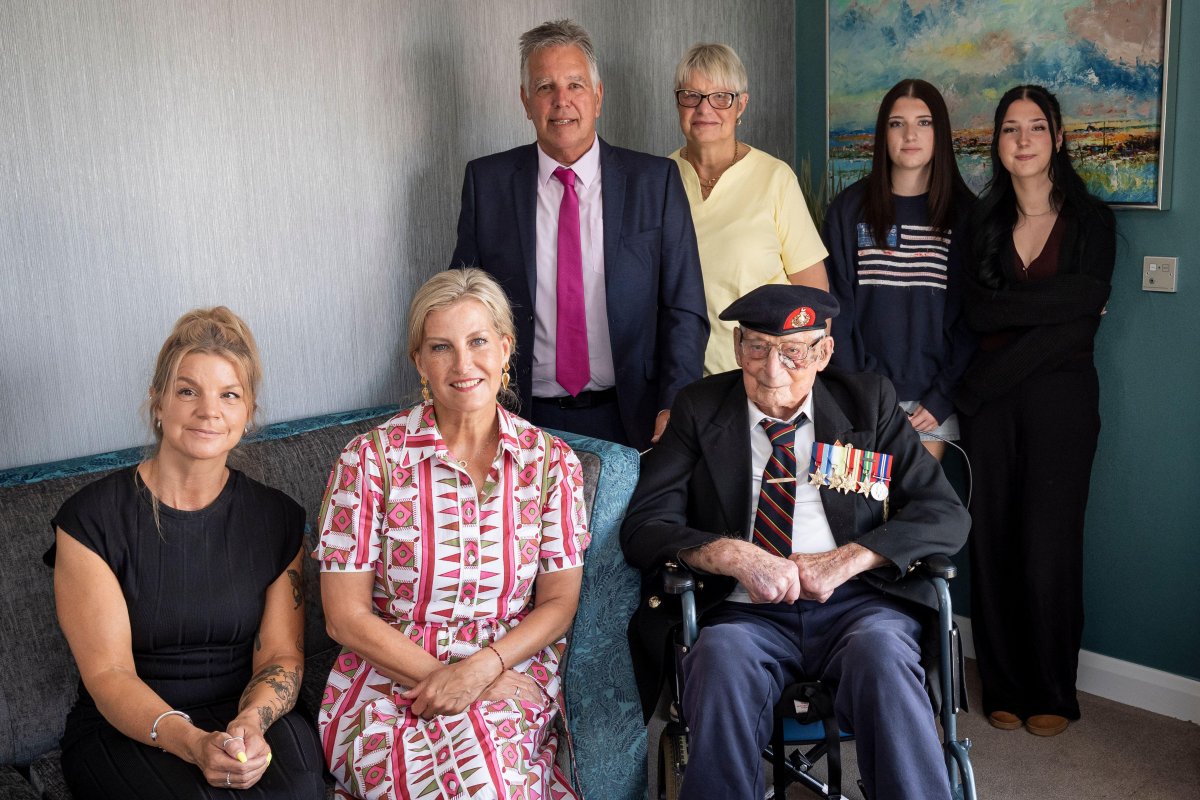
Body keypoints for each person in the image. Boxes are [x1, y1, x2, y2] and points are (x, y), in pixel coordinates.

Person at [621, 284, 970, 800]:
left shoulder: (868, 402)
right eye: (757, 347)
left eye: (795, 351)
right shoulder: (699, 407)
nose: (772, 370)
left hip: (859, 606)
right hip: (742, 612)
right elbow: (645, 524)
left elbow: (943, 513)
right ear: (738, 346)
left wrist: (847, 559)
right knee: (717, 661)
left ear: (825, 352)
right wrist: (732, 554)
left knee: (885, 659)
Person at [316, 268, 590, 800]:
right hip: (388, 679)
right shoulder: (370, 460)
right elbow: (343, 617)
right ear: (420, 360)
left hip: (506, 670)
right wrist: (448, 675)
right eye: (441, 347)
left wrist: (483, 670)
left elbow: (559, 602)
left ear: (506, 348)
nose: (464, 365)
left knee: (488, 783)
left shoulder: (553, 463)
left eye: (479, 341)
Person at [45, 307, 325, 799]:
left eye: (229, 395)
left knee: (298, 789)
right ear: (158, 403)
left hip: (242, 713)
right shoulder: (90, 521)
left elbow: (282, 656)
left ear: (248, 411)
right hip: (130, 725)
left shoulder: (277, 518)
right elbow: (108, 674)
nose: (208, 411)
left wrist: (251, 724)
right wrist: (192, 742)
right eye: (187, 391)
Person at [451, 19, 708, 451]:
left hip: (636, 418)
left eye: (575, 84)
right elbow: (464, 308)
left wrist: (673, 404)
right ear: (525, 101)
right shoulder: (487, 183)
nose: (561, 101)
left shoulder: (654, 182)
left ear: (598, 95)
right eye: (545, 87)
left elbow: (684, 306)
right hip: (521, 420)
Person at [956, 85, 1115, 737]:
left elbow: (1081, 329)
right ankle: (1005, 682)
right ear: (998, 143)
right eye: (1010, 129)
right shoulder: (980, 222)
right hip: (991, 414)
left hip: (1060, 403)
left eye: (1036, 127)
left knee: (1049, 545)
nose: (1023, 139)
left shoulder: (1092, 221)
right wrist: (1066, 302)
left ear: (1057, 138)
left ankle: (1054, 688)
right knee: (992, 541)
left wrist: (986, 377)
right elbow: (977, 311)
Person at [824, 78, 976, 461]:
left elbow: (971, 320)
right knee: (857, 517)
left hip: (930, 408)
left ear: (940, 132)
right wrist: (863, 395)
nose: (911, 134)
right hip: (859, 402)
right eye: (897, 123)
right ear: (883, 134)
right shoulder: (848, 209)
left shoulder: (966, 215)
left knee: (918, 517)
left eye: (924, 123)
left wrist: (942, 397)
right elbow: (836, 310)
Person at [669, 43, 829, 376]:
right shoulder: (658, 178)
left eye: (721, 97)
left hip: (764, 377)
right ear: (678, 102)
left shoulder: (775, 178)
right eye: (691, 95)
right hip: (681, 381)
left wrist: (795, 378)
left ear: (742, 104)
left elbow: (815, 298)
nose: (704, 109)